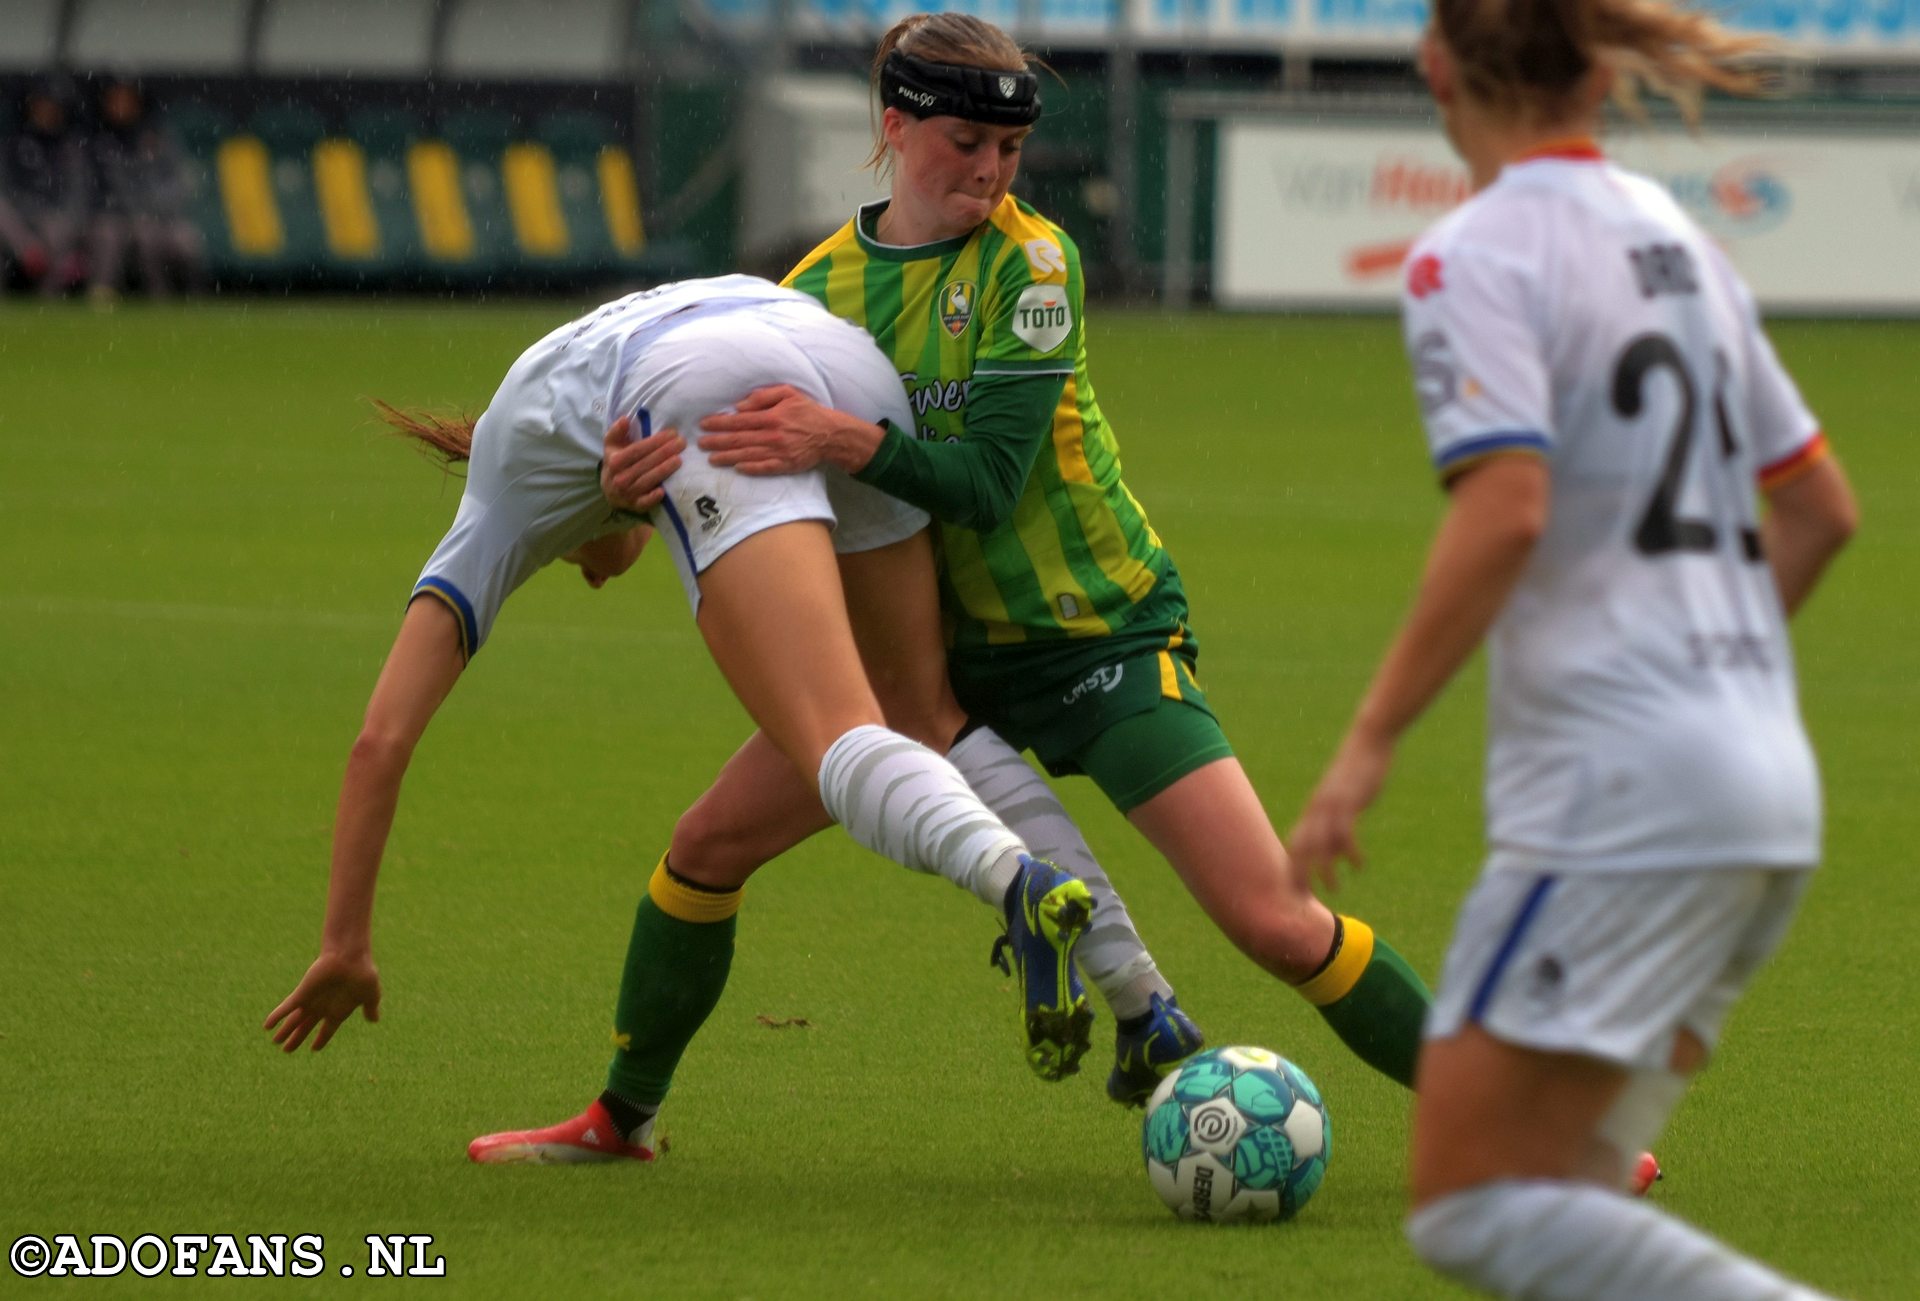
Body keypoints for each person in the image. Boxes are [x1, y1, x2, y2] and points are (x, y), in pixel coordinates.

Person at [608, 11, 1433, 1096]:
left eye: (1011, 151)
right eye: (966, 145)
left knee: (1273, 919)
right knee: (706, 844)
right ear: (895, 127)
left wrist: (846, 438)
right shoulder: (808, 296)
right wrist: (634, 495)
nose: (993, 174)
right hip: (926, 672)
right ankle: (618, 1116)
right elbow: (722, 472)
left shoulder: (1033, 266)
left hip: (1095, 634)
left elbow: (989, 487)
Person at [265, 276, 1107, 1162]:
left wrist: (345, 941)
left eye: (570, 562)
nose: (590, 574)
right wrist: (626, 496)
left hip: (703, 380)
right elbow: (629, 486)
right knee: (872, 739)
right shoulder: (568, 384)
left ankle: (1014, 879)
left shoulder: (502, 493)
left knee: (837, 734)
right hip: (832, 357)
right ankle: (1144, 1006)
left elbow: (380, 738)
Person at [1284, 0, 1858, 1293]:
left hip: (1619, 803)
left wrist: (1367, 742)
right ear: (1600, 71)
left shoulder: (1469, 256)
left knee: (1473, 1210)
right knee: (1572, 1197)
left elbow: (1508, 507)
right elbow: (1822, 506)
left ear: (1436, 65)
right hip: (1764, 787)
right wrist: (1707, 656)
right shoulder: (1685, 244)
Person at [86, 77, 204, 301]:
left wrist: (154, 209)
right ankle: (104, 294)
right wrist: (134, 212)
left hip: (161, 217)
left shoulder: (159, 137)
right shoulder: (98, 140)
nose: (120, 106)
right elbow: (97, 189)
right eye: (115, 100)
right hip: (112, 217)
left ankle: (193, 299)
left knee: (186, 240)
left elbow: (180, 184)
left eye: (126, 99)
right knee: (119, 234)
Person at [0, 79, 88, 296]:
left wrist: (58, 218)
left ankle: (49, 297)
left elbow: (77, 195)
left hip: (55, 219)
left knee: (57, 230)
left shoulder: (70, 148)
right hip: (18, 220)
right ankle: (28, 252)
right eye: (41, 106)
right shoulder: (12, 145)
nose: (45, 112)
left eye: (51, 107)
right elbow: (6, 188)